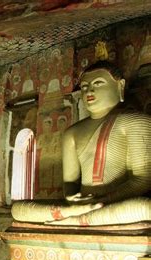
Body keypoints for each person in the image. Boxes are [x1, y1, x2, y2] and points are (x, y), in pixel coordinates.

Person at [12, 56, 151, 226]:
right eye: (84, 87)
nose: (89, 91)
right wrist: (72, 198)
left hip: (116, 203)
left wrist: (103, 199)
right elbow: (70, 184)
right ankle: (75, 216)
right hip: (81, 206)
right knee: (17, 209)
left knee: (145, 208)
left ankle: (73, 219)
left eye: (98, 84)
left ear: (120, 86)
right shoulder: (72, 133)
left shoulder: (136, 121)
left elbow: (143, 180)